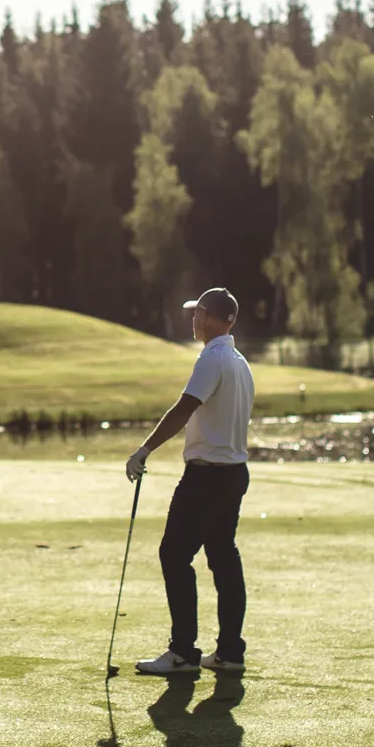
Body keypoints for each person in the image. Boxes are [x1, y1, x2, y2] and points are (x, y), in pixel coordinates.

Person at [125, 287, 254, 676]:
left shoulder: (212, 358)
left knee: (175, 556)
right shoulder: (239, 361)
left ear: (209, 317)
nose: (192, 320)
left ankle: (183, 652)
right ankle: (230, 652)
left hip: (206, 477)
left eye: (196, 313)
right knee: (223, 558)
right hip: (233, 474)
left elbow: (184, 409)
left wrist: (144, 449)